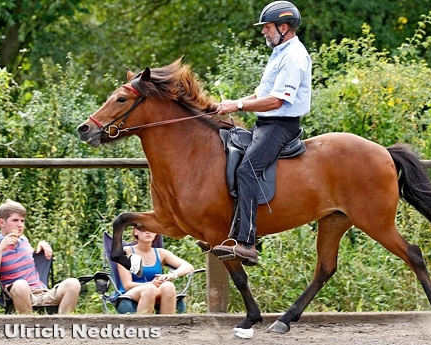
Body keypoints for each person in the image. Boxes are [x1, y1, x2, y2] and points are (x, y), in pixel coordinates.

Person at [211, 1, 312, 266]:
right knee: (228, 156)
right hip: (265, 124)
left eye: (267, 27)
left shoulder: (293, 56)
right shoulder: (279, 52)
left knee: (248, 170)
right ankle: (228, 228)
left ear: (284, 27)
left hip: (280, 126)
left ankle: (248, 243)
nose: (264, 32)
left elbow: (277, 101)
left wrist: (238, 105)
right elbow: (261, 94)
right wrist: (228, 104)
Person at [0, 199, 81, 314]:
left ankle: (62, 326)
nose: (20, 225)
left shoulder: (24, 240)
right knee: (21, 285)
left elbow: (28, 256)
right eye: (15, 220)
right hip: (18, 293)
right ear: (2, 223)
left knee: (73, 283)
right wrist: (0, 250)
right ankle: (29, 327)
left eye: (22, 221)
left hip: (42, 292)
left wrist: (42, 243)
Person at [117, 226, 195, 314]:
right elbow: (127, 285)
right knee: (149, 289)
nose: (148, 232)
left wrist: (171, 275)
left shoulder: (161, 253)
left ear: (156, 233)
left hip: (156, 290)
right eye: (143, 229)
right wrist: (150, 284)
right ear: (136, 231)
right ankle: (144, 325)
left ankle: (168, 325)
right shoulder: (126, 253)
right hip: (132, 293)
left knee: (169, 286)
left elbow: (188, 267)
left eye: (152, 229)